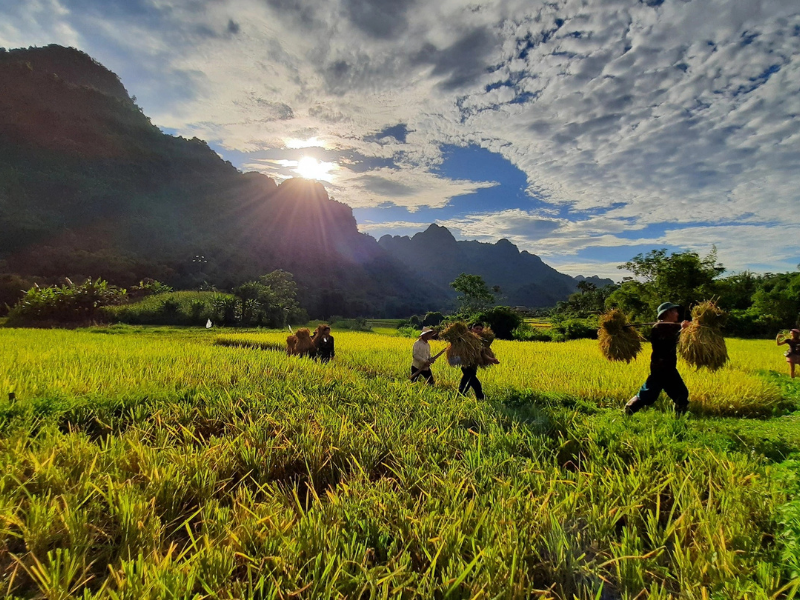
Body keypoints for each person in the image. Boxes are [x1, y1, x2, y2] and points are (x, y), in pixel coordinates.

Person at [625, 302, 691, 416]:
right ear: (667, 313)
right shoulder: (658, 328)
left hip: (668, 366)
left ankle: (680, 419)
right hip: (661, 367)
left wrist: (688, 328)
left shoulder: (670, 326)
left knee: (679, 394)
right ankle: (629, 408)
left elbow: (678, 336)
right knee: (650, 395)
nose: (677, 314)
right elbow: (669, 342)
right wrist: (682, 330)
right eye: (674, 311)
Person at [458, 323, 499, 399]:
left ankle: (459, 395)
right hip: (466, 365)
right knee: (475, 383)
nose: (478, 330)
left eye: (480, 329)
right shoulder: (466, 338)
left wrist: (492, 359)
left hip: (474, 365)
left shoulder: (481, 341)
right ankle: (480, 396)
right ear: (472, 329)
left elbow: (482, 354)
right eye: (476, 328)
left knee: (467, 381)